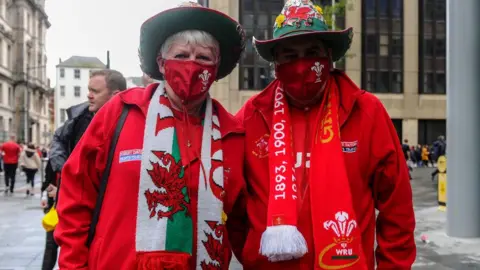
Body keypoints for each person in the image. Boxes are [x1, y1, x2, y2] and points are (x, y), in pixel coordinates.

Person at [54, 2, 247, 269]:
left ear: (216, 68)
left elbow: (244, 224)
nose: (191, 65)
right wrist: (73, 265)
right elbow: (76, 194)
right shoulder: (120, 112)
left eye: (203, 58)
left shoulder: (232, 134)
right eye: (180, 56)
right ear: (161, 63)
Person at [235, 1, 416, 269]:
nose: (301, 65)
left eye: (312, 52)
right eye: (289, 56)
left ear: (329, 57)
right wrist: (252, 256)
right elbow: (234, 206)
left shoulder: (366, 112)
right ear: (275, 64)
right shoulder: (252, 117)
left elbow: (397, 208)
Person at [41, 69, 127, 270]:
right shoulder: (79, 118)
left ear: (115, 95)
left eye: (95, 91)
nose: (88, 95)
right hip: (73, 199)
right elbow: (58, 143)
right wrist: (65, 175)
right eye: (89, 90)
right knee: (55, 244)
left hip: (105, 210)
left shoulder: (129, 123)